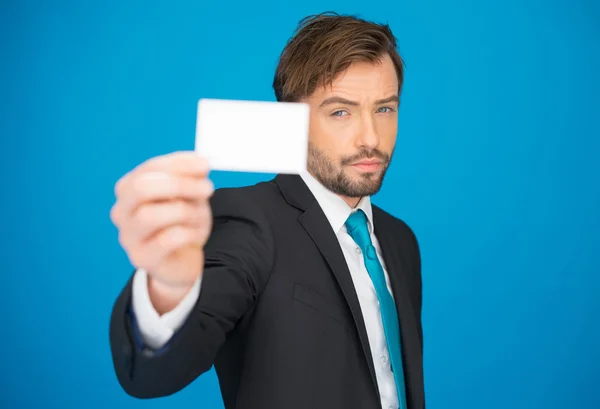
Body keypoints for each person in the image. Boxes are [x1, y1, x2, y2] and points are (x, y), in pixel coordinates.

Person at [109, 12, 424, 409]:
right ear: (291, 120)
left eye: (385, 109)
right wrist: (169, 287)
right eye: (340, 112)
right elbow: (154, 372)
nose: (370, 138)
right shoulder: (248, 221)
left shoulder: (401, 242)